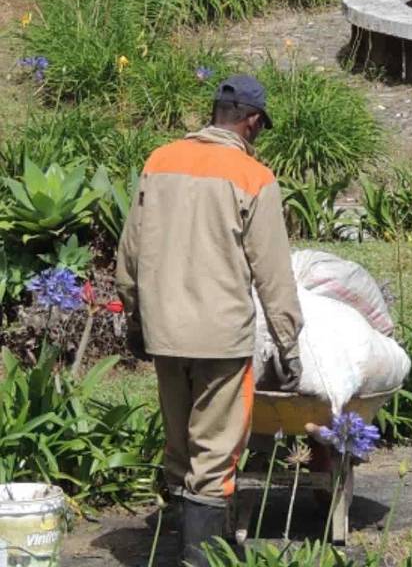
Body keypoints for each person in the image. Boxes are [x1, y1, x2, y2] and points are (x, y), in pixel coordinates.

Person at [116, 75, 304, 567]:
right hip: (221, 339)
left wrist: (136, 319)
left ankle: (177, 543)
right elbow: (273, 273)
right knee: (215, 450)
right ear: (253, 121)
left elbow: (130, 251)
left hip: (163, 331)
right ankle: (202, 559)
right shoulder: (253, 177)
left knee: (178, 442)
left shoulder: (160, 161)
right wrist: (289, 345)